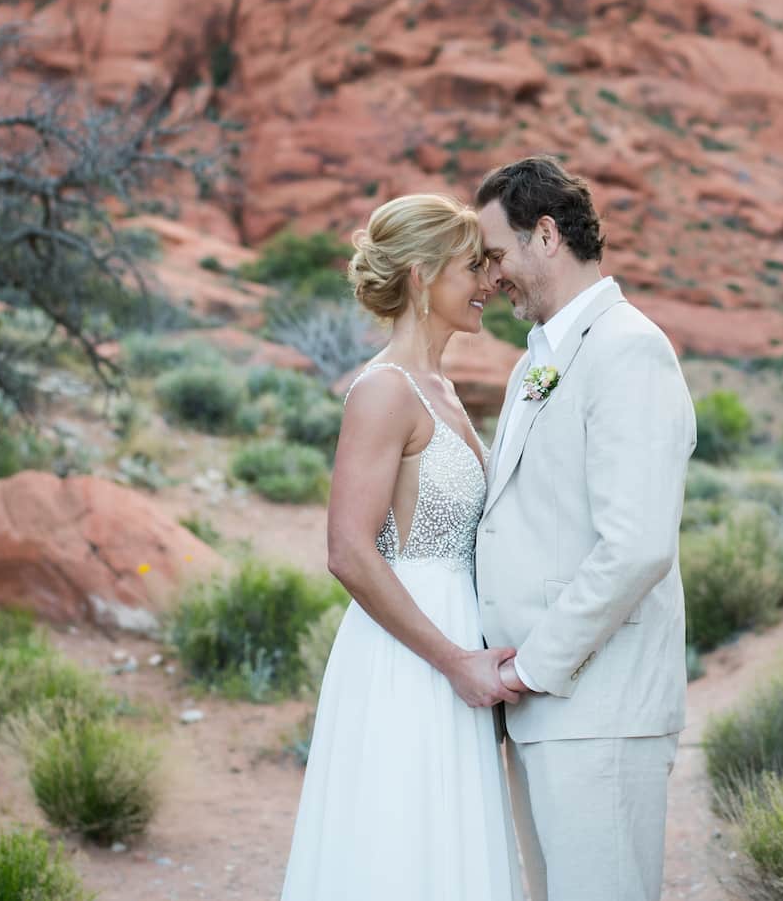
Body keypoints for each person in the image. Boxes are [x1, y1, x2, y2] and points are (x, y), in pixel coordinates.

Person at [280, 193, 525, 901]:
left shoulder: (442, 388)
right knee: (399, 845)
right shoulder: (383, 392)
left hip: (455, 648)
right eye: (471, 268)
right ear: (421, 275)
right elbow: (349, 552)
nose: (489, 284)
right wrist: (453, 661)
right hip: (411, 658)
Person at [474, 156, 697, 901]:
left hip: (596, 709)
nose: (491, 274)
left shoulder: (628, 349)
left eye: (496, 253)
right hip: (542, 712)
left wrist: (532, 666)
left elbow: (636, 547)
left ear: (545, 235)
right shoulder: (534, 362)